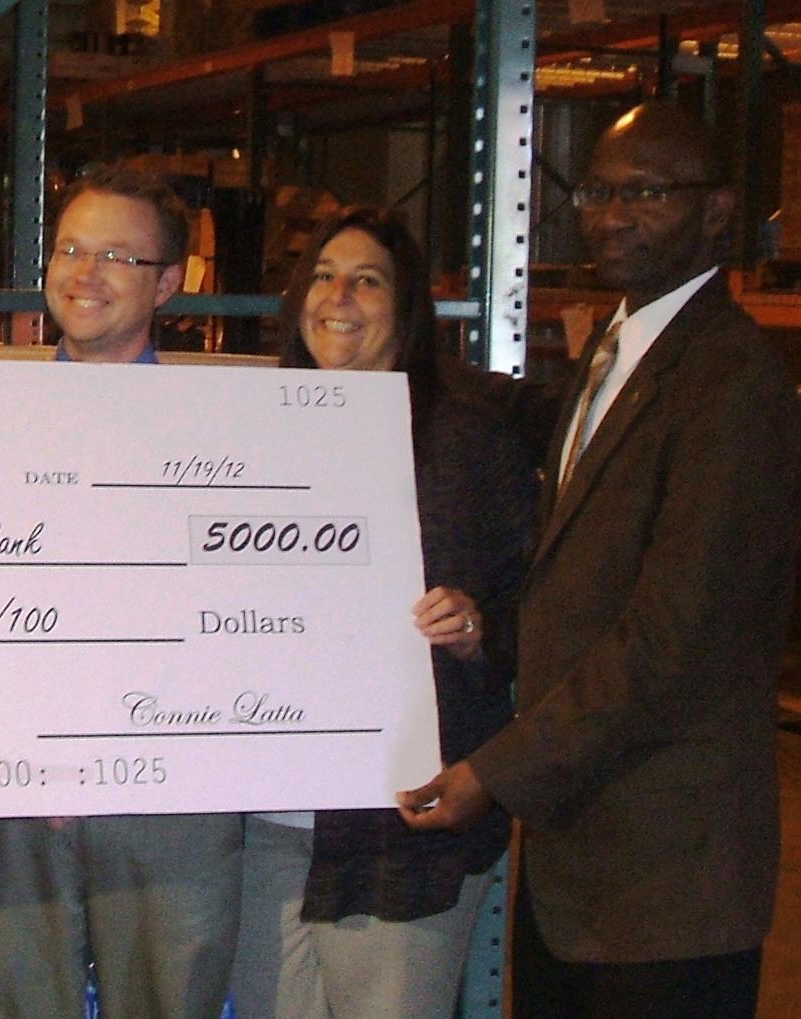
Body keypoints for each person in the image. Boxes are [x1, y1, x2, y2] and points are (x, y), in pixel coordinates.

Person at [398, 102, 801, 1019]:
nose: (609, 216)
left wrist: (490, 774)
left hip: (667, 882)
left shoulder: (730, 386)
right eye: (594, 192)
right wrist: (487, 637)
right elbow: (580, 579)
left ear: (715, 211)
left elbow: (673, 641)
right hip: (585, 869)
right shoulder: (619, 350)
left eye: (646, 194)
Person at [0, 165, 245, 1019]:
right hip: (7, 795)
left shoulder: (233, 437)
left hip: (168, 800)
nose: (84, 272)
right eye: (71, 248)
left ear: (168, 283)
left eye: (116, 254)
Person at [226, 207, 536, 1019]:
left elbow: (536, 602)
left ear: (405, 308)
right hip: (267, 820)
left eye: (368, 279)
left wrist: (476, 630)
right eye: (323, 275)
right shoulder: (242, 432)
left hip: (400, 831)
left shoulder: (469, 440)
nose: (341, 296)